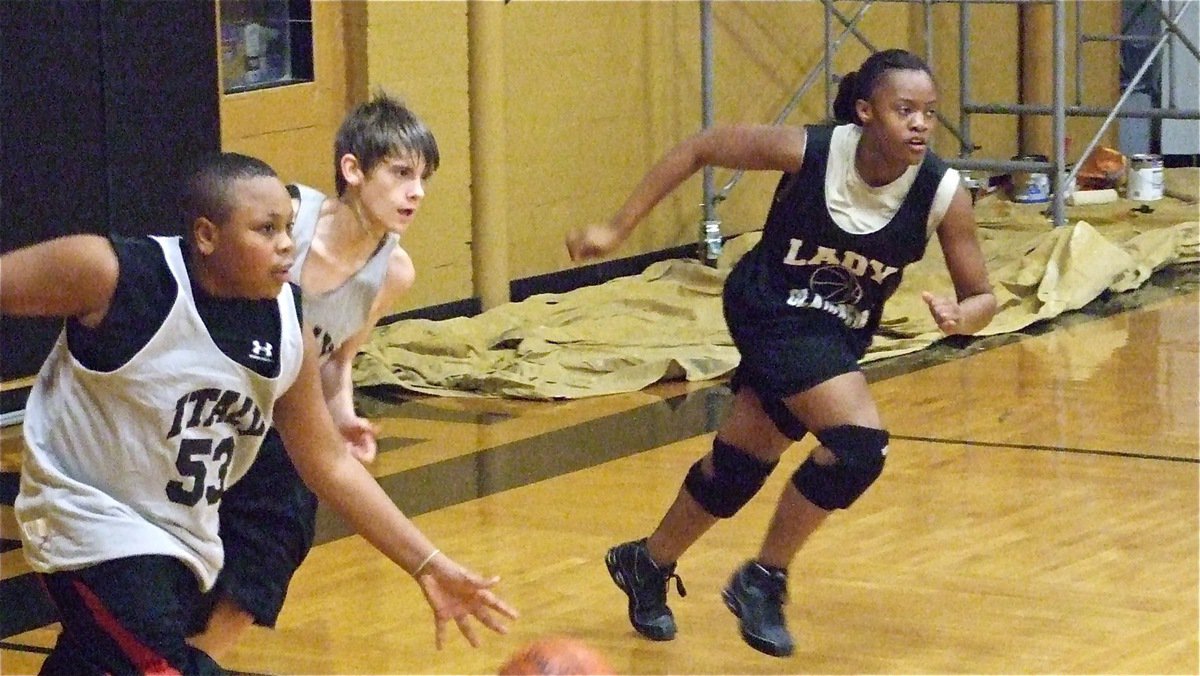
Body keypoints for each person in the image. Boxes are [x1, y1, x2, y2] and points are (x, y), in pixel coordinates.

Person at [2, 152, 517, 675]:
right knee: (163, 667)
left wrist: (428, 565)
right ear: (207, 235)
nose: (287, 245)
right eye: (266, 229)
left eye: (289, 227)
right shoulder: (114, 275)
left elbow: (329, 464)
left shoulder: (287, 322)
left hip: (181, 538)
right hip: (86, 523)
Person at [566, 49, 996, 658]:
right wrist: (616, 229)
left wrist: (963, 318)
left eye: (930, 112)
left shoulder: (943, 194)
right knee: (857, 446)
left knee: (741, 465)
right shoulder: (812, 151)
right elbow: (702, 148)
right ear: (866, 112)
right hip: (768, 306)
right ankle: (763, 578)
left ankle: (648, 560)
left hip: (836, 334)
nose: (921, 124)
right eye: (905, 110)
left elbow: (983, 295)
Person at [188, 93, 445, 660]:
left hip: (277, 421)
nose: (416, 191)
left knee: (277, 538)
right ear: (353, 170)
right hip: (204, 408)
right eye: (401, 173)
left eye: (424, 177)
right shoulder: (284, 219)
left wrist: (344, 415)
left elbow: (336, 361)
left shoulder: (393, 272)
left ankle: (196, 662)